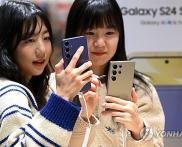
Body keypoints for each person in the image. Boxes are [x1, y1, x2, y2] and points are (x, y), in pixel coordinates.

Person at [63, 0, 165, 146]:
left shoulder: (140, 88)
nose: (100, 43)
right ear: (73, 35)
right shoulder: (55, 86)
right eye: (89, 33)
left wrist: (138, 130)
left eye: (109, 33)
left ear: (120, 36)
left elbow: (157, 144)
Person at [0, 1, 98, 146]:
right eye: (29, 40)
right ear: (6, 44)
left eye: (46, 38)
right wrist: (62, 97)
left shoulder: (38, 88)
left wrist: (84, 115)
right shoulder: (10, 92)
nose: (42, 50)